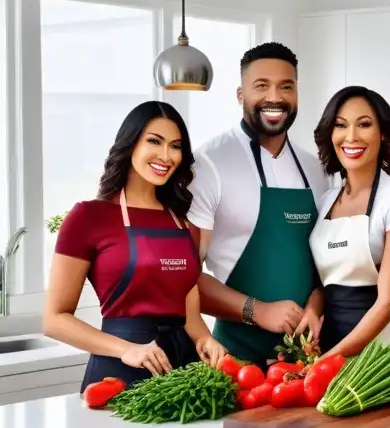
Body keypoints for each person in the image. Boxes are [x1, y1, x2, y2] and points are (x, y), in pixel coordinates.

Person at [43, 101, 228, 390]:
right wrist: (127, 350)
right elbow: (54, 320)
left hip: (182, 370)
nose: (166, 156)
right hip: (118, 370)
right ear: (130, 145)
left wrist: (205, 339)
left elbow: (189, 312)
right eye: (154, 141)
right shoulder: (88, 217)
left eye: (176, 146)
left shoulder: (182, 222)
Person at [187, 42, 331, 368]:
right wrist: (258, 311)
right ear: (241, 95)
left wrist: (314, 308)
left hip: (305, 357)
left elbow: (324, 266)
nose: (275, 98)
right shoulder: (209, 164)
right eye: (261, 86)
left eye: (286, 87)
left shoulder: (316, 169)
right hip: (235, 357)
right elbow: (185, 276)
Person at [306, 86, 390, 357]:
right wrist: (313, 311)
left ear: (382, 134)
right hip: (333, 342)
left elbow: (387, 302)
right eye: (341, 125)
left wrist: (328, 361)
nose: (351, 137)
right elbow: (324, 281)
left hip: (386, 354)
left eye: (364, 124)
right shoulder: (325, 201)